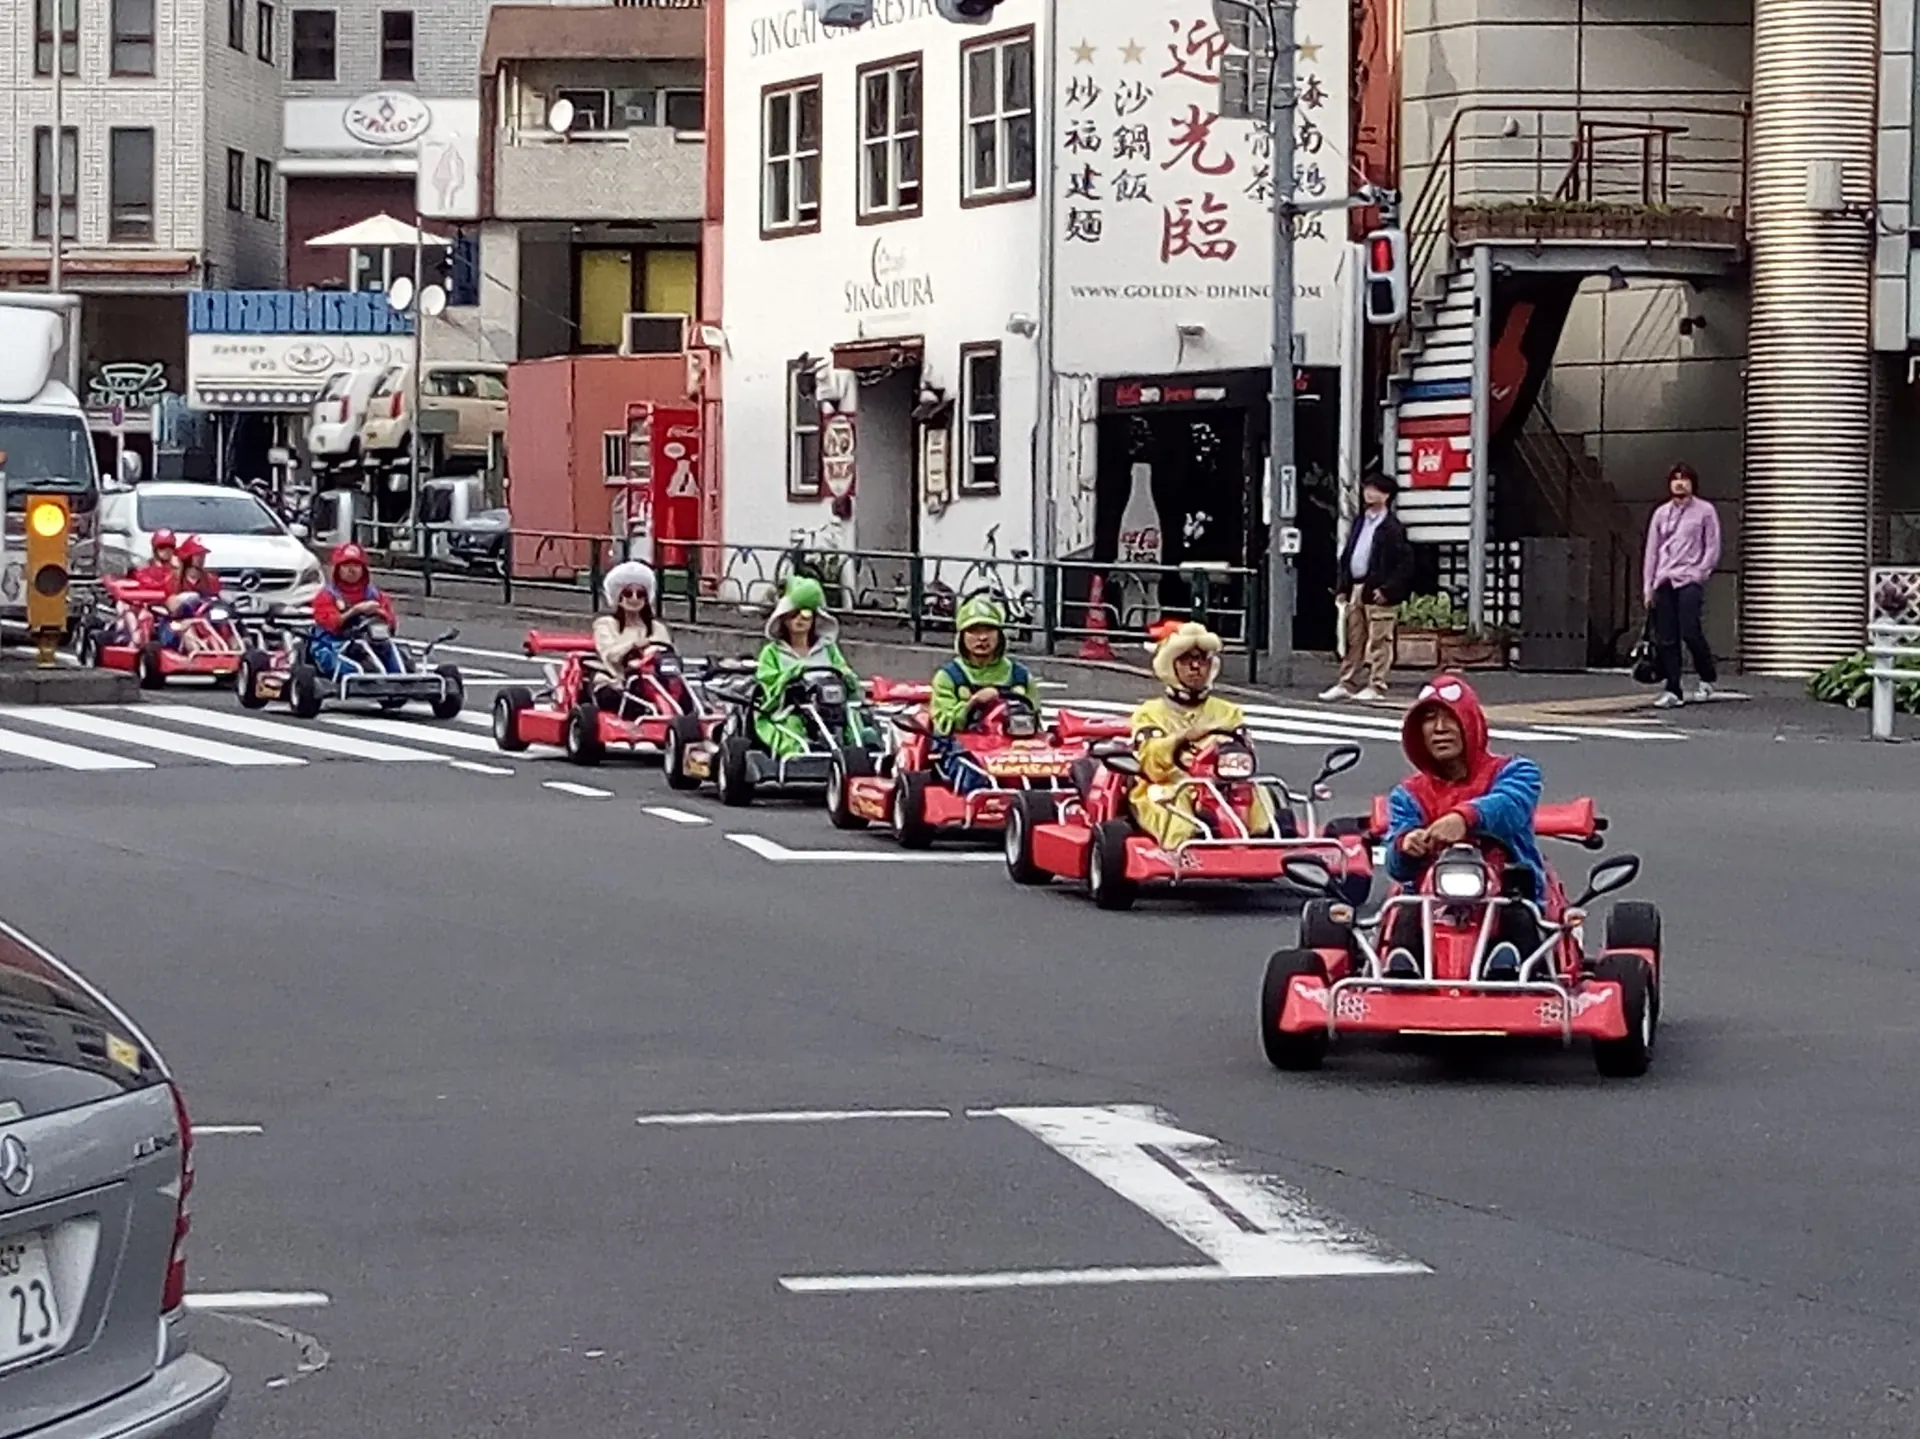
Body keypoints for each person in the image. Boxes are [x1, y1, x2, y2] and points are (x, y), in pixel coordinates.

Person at [1382, 675, 1545, 981]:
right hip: (1432, 899)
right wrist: (1407, 844)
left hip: (1506, 892)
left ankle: (1516, 972)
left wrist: (1465, 818)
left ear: (1470, 723)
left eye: (1450, 718)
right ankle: (1402, 972)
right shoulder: (1408, 794)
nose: (1440, 728)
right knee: (1405, 911)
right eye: (1430, 720)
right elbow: (1395, 867)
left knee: (1519, 915)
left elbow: (1510, 804)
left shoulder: (1516, 771)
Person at [1128, 620, 1276, 848]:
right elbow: (1149, 762)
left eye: (1202, 660)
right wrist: (1182, 739)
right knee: (1170, 798)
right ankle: (1188, 842)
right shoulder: (1149, 713)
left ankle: (1266, 837)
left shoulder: (1228, 712)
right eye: (1187, 660)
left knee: (1258, 792)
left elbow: (1244, 754)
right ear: (1171, 666)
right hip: (1171, 784)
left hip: (1223, 784)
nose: (1196, 667)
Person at [928, 594, 1041, 793]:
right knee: (973, 775)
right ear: (961, 636)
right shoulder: (948, 677)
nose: (982, 637)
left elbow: (1036, 720)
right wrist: (973, 703)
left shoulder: (1020, 676)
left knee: (1056, 774)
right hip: (964, 746)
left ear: (1000, 635)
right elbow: (943, 725)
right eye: (974, 630)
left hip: (1015, 746)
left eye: (988, 630)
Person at [1321, 470, 1415, 703]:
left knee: (1380, 639)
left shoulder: (1393, 528)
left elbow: (1405, 564)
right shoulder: (1360, 522)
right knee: (1354, 637)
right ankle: (1347, 681)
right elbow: (1348, 556)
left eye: (1376, 490)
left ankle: (1377, 683)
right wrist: (1342, 586)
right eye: (1367, 489)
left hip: (1378, 591)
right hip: (1356, 587)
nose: (1369, 494)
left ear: (1387, 496)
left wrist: (1387, 589)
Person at [753, 575, 868, 758]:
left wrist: (847, 677)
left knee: (852, 718)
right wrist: (791, 675)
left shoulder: (828, 648)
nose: (800, 619)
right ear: (783, 618)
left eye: (806, 614)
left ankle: (861, 752)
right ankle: (799, 755)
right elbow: (769, 684)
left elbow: (843, 670)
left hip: (830, 705)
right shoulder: (772, 652)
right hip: (792, 709)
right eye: (793, 614)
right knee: (792, 724)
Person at [1642, 461, 1721, 709]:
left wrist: (1700, 572)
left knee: (1690, 630)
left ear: (1692, 484)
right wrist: (1648, 586)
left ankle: (1707, 676)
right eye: (1675, 479)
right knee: (1667, 637)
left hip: (1689, 579)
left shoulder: (1705, 511)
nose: (1679, 483)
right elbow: (1651, 551)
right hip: (1664, 579)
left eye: (1684, 479)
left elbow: (1713, 546)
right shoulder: (1661, 513)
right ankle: (1673, 688)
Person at [590, 560, 687, 714]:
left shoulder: (657, 627)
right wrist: (634, 646)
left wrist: (652, 651)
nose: (634, 598)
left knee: (683, 692)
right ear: (619, 598)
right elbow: (609, 655)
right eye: (628, 594)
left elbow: (667, 652)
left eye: (640, 594)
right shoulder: (605, 624)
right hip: (619, 681)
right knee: (618, 697)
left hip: (656, 680)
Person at [309, 542, 401, 677]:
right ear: (338, 569)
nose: (351, 570)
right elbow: (331, 624)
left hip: (369, 643)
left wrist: (379, 613)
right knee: (347, 666)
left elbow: (392, 625)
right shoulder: (327, 596)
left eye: (356, 565)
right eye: (346, 566)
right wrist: (355, 611)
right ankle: (366, 674)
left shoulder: (374, 595)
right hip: (335, 645)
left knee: (393, 651)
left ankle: (402, 677)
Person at [159, 537, 224, 656]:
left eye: (203, 555)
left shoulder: (210, 580)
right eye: (197, 555)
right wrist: (184, 600)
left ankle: (227, 652)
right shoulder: (173, 580)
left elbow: (217, 602)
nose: (202, 558)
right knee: (188, 629)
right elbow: (171, 606)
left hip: (205, 622)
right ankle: (196, 652)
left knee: (222, 626)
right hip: (178, 624)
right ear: (188, 557)